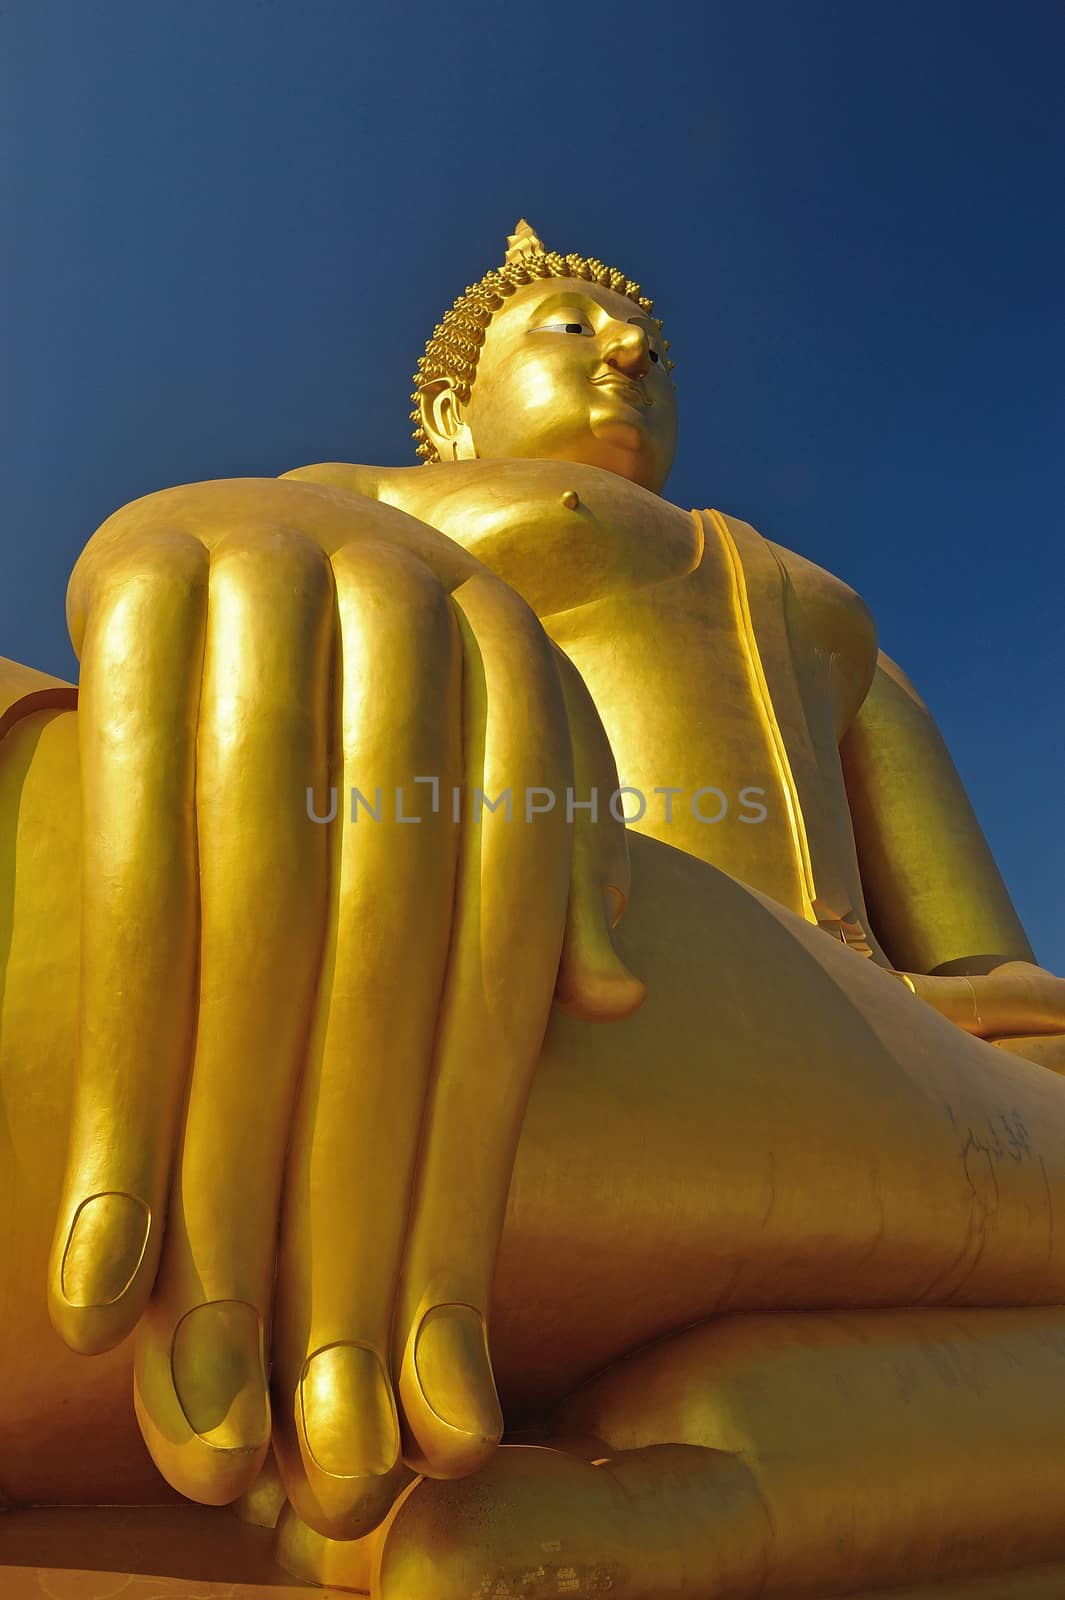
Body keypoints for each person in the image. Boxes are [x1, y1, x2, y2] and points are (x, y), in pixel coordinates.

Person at [2, 221, 1065, 1599]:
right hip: (498, 932)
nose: (626, 352)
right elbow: (242, 677)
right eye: (565, 327)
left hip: (840, 1045)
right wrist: (243, 535)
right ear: (451, 408)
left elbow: (995, 971)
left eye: (654, 350)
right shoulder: (372, 502)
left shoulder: (826, 620)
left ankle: (744, 1481)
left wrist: (973, 1029)